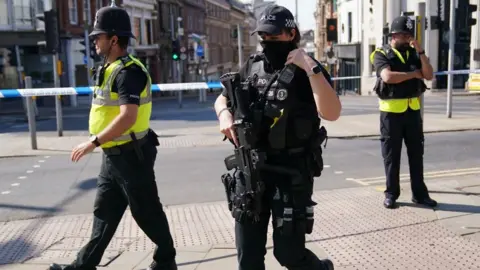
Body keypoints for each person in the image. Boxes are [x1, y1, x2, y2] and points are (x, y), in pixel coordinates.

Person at [48, 4, 177, 270]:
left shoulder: (129, 72)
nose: (95, 40)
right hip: (114, 155)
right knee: (104, 214)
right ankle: (83, 266)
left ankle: (166, 260)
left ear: (114, 39)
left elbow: (128, 117)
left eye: (99, 36)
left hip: (132, 155)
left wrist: (93, 142)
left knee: (146, 213)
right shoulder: (109, 68)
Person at [215, 5, 341, 270]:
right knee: (248, 259)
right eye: (263, 37)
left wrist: (308, 65)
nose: (267, 42)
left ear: (291, 33)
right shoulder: (253, 65)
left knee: (288, 254)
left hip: (291, 173)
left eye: (274, 36)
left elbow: (332, 112)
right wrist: (224, 115)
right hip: (252, 172)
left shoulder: (309, 70)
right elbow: (222, 98)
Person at [370, 15, 438, 209]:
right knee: (392, 156)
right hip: (390, 113)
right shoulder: (380, 53)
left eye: (409, 35)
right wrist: (413, 74)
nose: (408, 39)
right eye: (404, 35)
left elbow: (429, 75)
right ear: (394, 36)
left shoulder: (415, 54)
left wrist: (421, 52)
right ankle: (391, 193)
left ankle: (420, 194)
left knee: (417, 154)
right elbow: (388, 76)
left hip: (413, 111)